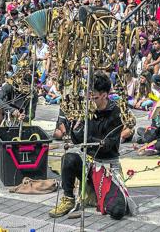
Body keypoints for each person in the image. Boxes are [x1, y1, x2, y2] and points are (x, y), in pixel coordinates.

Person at [49, 71, 135, 220]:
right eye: (89, 96)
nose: (91, 100)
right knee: (68, 159)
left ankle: (101, 194)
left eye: (94, 97)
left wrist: (86, 137)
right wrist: (73, 128)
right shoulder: (87, 110)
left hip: (107, 167)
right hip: (89, 165)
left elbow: (106, 145)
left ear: (104, 95)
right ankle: (68, 198)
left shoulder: (116, 113)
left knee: (118, 211)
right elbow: (76, 141)